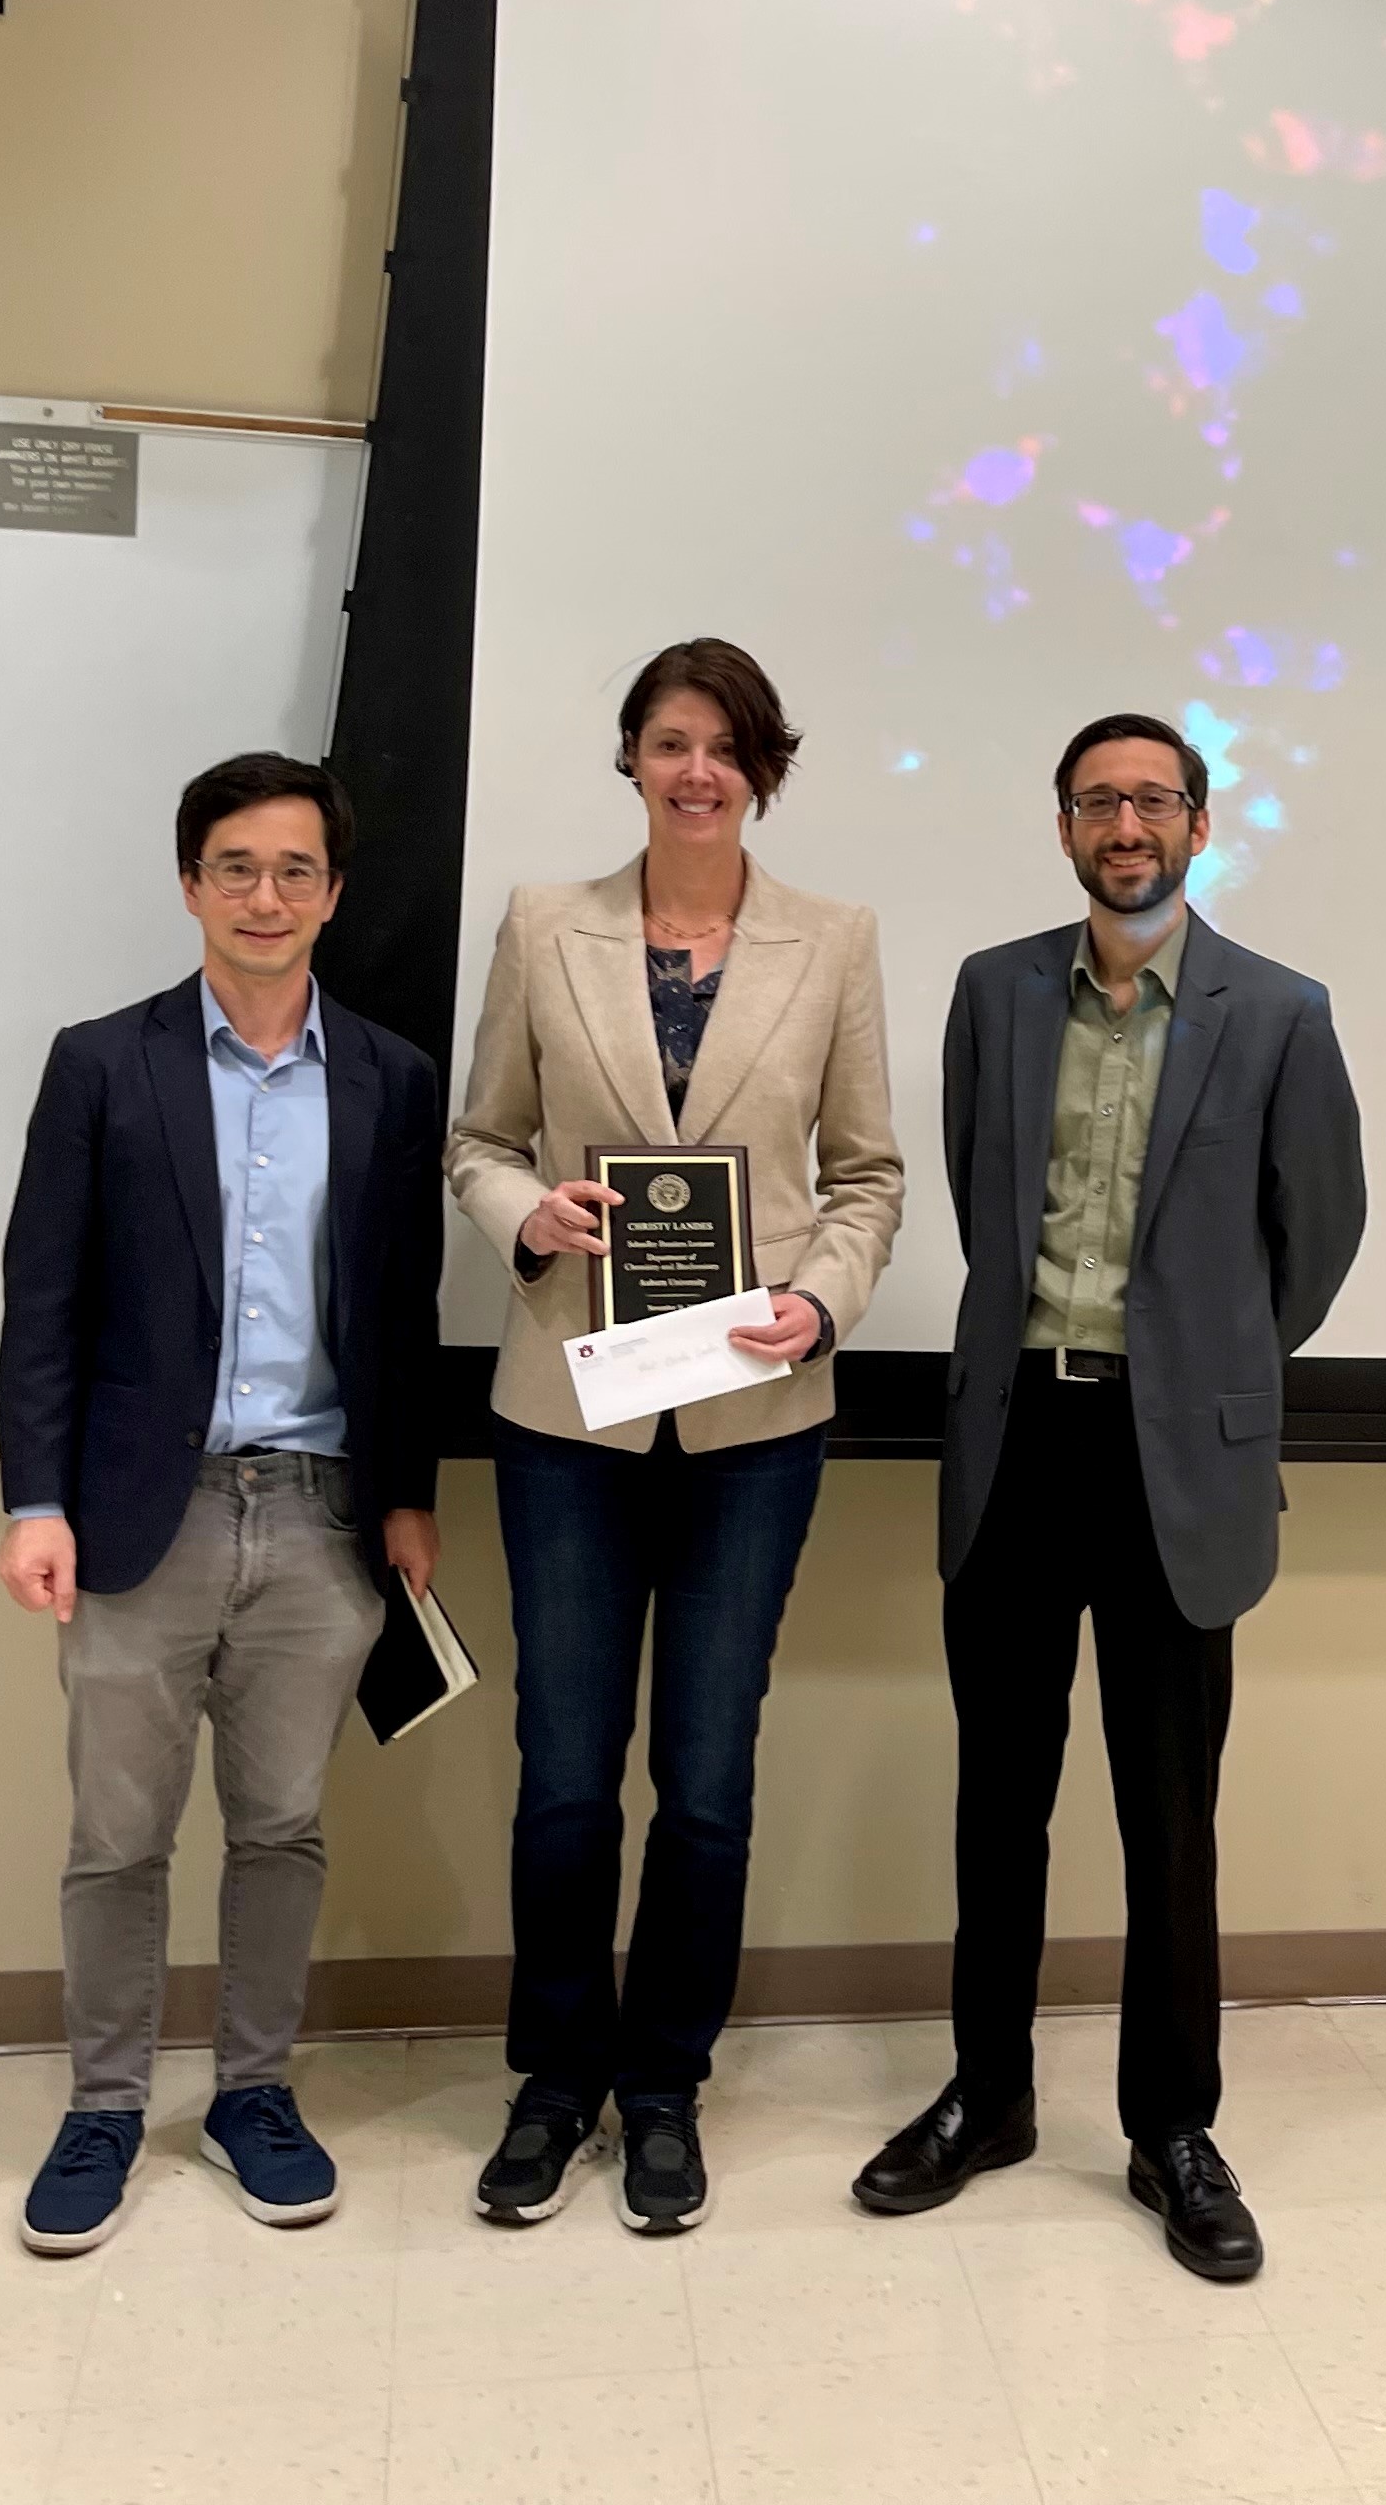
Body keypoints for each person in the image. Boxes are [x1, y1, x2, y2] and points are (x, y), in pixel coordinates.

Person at [852, 711, 1366, 2280]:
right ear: (1063, 826)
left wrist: (1199, 1368)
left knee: (1169, 1817)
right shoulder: (994, 995)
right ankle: (990, 2096)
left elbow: (1317, 1236)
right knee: (997, 1800)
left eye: (1152, 799)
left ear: (1200, 826)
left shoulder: (1280, 1013)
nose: (1125, 822)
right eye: (1098, 800)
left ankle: (1170, 2130)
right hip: (1020, 1443)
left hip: (1172, 1467)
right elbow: (971, 1188)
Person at [445, 639, 904, 2233]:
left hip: (756, 1415)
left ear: (760, 767)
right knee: (566, 1772)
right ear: (631, 760)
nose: (694, 770)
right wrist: (532, 1214)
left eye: (723, 747)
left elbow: (868, 1176)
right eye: (666, 742)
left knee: (706, 1777)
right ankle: (553, 2080)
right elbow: (479, 1137)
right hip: (568, 1408)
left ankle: (662, 2090)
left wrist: (823, 1304)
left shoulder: (832, 942)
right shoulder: (539, 927)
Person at [0, 752, 449, 2257]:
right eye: (236, 868)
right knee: (118, 1837)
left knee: (284, 1828)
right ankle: (106, 2107)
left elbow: (398, 1311)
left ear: (334, 893)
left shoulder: (389, 1077)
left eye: (296, 871)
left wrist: (406, 1503)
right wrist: (34, 1500)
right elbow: (41, 1307)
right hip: (140, 1516)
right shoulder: (100, 1064)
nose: (267, 897)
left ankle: (255, 2091)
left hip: (321, 1514)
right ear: (191, 883)